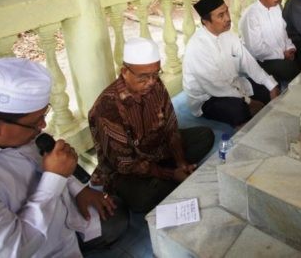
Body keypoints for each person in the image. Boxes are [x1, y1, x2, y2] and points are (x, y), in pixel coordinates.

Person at [0, 58, 127, 257]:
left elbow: (44, 160)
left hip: (63, 226)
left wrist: (79, 188)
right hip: (35, 249)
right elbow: (15, 250)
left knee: (118, 215)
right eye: (35, 122)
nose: (42, 127)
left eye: (42, 117)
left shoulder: (11, 132)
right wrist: (54, 179)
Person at [89, 37, 214, 213]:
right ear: (125, 71)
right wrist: (171, 173)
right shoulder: (107, 108)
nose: (151, 82)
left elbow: (171, 127)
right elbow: (126, 164)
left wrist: (180, 162)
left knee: (204, 136)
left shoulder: (155, 84)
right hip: (127, 171)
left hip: (158, 151)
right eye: (143, 77)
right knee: (144, 198)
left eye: (156, 74)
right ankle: (169, 178)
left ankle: (173, 174)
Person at [183, 0, 280, 127]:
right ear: (206, 21)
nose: (228, 18)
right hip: (209, 97)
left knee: (271, 89)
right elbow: (217, 87)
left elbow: (249, 64)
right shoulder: (197, 47)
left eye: (227, 12)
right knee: (238, 110)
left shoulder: (228, 35)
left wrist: (271, 84)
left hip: (235, 84)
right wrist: (249, 101)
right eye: (220, 15)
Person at [239, 0, 300, 82]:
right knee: (290, 70)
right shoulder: (251, 15)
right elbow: (256, 50)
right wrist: (282, 54)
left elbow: (283, 32)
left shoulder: (276, 7)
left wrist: (289, 47)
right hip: (262, 60)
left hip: (281, 54)